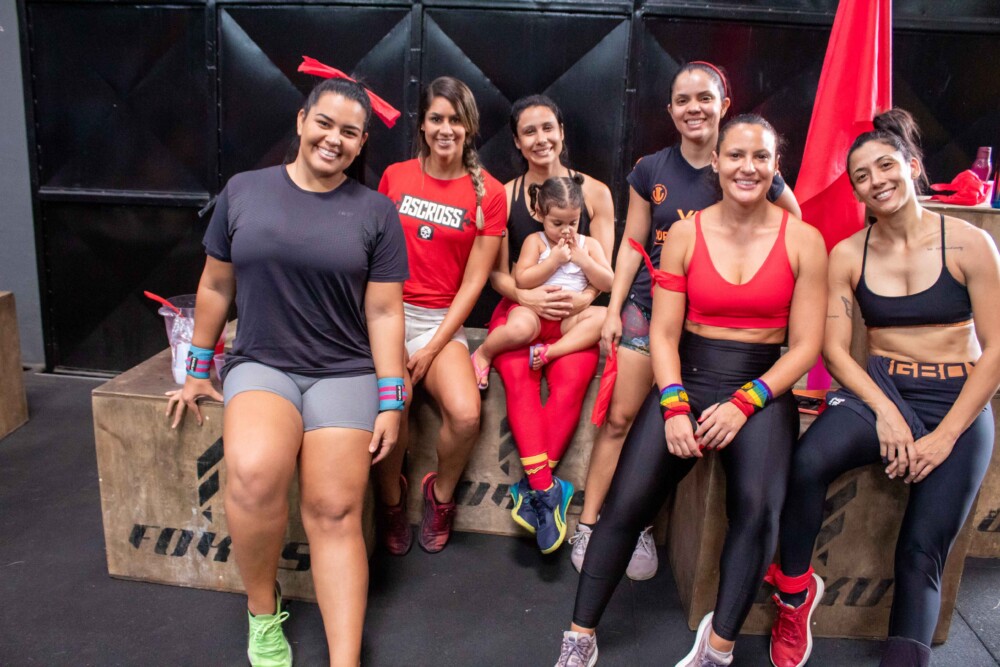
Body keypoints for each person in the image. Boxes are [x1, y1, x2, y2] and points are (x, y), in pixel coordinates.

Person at [554, 114, 827, 667]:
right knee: (624, 503)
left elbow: (805, 347)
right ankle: (580, 636)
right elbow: (662, 333)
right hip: (688, 378)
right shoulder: (685, 233)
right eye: (736, 156)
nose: (748, 167)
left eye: (761, 157)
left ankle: (717, 649)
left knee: (758, 513)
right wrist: (675, 404)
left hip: (760, 389)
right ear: (717, 163)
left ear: (776, 166)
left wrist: (746, 402)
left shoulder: (805, 240)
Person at [166, 74, 408, 667]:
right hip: (264, 363)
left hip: (344, 372)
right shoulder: (243, 191)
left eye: (350, 132)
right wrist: (197, 369)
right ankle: (261, 611)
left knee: (335, 508)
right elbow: (215, 285)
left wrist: (392, 399)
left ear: (361, 143)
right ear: (301, 122)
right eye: (324, 123)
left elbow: (383, 312)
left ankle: (345, 659)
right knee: (252, 474)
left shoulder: (376, 212)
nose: (334, 139)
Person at [767, 109, 1000, 667]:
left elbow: (996, 352)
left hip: (956, 401)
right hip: (882, 390)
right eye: (862, 176)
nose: (876, 180)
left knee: (920, 553)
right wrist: (887, 414)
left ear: (913, 166)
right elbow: (835, 351)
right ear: (856, 192)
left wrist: (943, 438)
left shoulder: (969, 245)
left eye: (886, 166)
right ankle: (794, 594)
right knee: (806, 462)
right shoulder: (849, 253)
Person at [570, 62, 802, 580]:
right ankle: (589, 525)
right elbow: (631, 243)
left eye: (704, 98)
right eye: (682, 100)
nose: (693, 108)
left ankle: (640, 524)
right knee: (622, 421)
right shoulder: (650, 168)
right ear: (670, 110)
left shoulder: (747, 166)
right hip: (649, 310)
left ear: (724, 105)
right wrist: (614, 309)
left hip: (709, 328)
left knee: (673, 435)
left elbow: (795, 226)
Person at [375, 76, 507, 556]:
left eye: (455, 119)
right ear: (423, 125)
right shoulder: (395, 176)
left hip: (441, 321)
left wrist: (433, 348)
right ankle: (392, 502)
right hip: (389, 313)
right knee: (395, 402)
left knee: (467, 414)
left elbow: (474, 283)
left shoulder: (490, 193)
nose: (445, 128)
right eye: (436, 118)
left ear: (469, 126)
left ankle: (440, 495)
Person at [485, 95, 615, 554]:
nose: (540, 139)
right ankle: (545, 490)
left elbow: (605, 270)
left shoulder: (596, 193)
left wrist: (583, 298)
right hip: (523, 310)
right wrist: (527, 296)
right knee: (519, 376)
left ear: (561, 131)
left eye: (547, 128)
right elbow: (496, 272)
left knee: (574, 379)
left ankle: (534, 488)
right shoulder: (503, 195)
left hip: (573, 316)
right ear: (517, 142)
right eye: (529, 131)